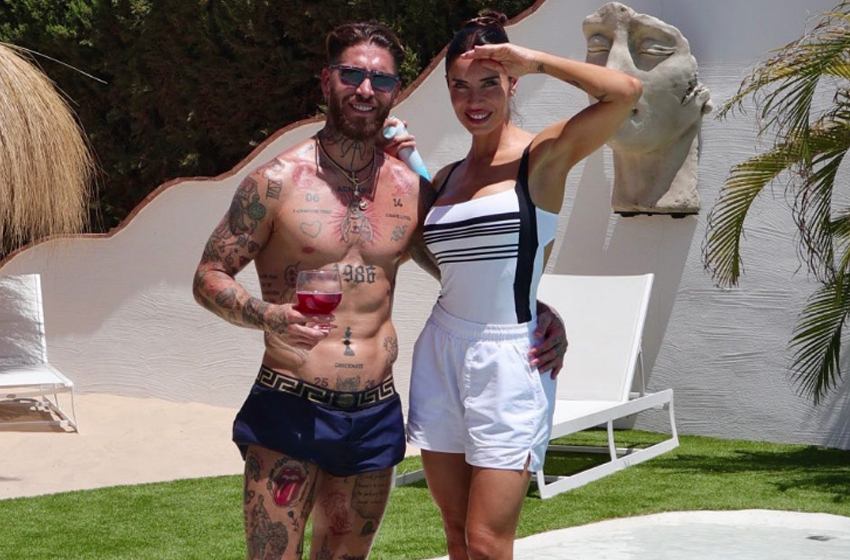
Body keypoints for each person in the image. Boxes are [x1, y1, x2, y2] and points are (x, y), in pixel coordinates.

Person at [192, 20, 566, 560]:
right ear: (327, 80)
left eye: (382, 80)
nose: (366, 89)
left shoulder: (408, 190)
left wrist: (535, 308)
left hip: (373, 413)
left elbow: (460, 268)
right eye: (352, 74)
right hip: (291, 403)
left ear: (395, 92)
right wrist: (265, 315)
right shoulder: (276, 181)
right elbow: (209, 275)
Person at [403, 11, 642, 560]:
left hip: (510, 359)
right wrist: (536, 298)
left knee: (488, 542)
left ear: (513, 84)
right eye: (459, 86)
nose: (474, 99)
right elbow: (439, 257)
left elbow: (626, 93)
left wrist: (533, 60)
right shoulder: (446, 178)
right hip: (440, 350)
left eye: (490, 82)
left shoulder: (542, 156)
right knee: (455, 534)